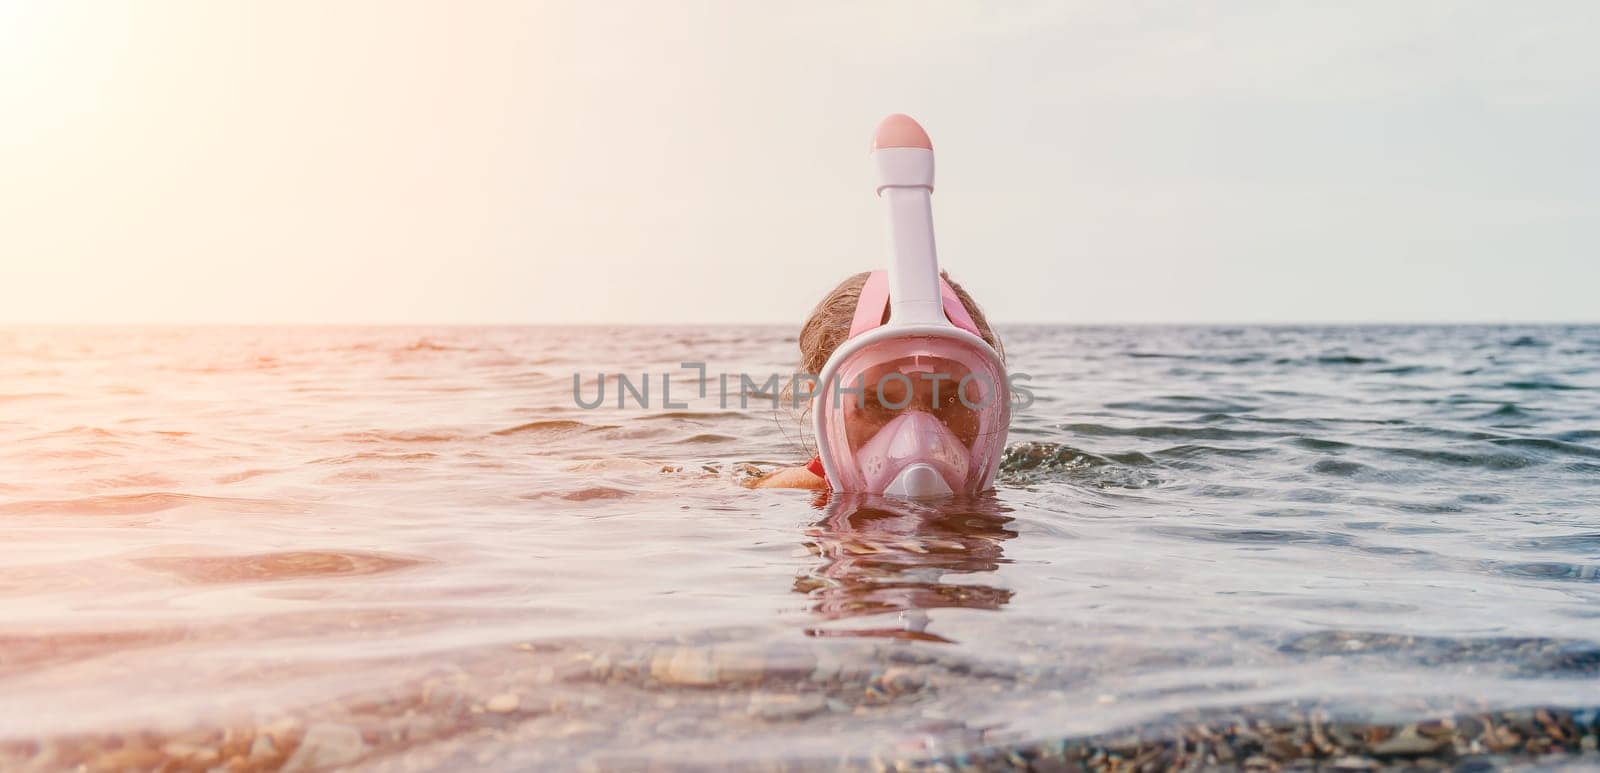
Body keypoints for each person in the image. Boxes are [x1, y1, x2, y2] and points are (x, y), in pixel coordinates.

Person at [753, 270, 1004, 490]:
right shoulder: (782, 498)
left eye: (951, 399)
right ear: (820, 405)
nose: (917, 441)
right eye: (877, 403)